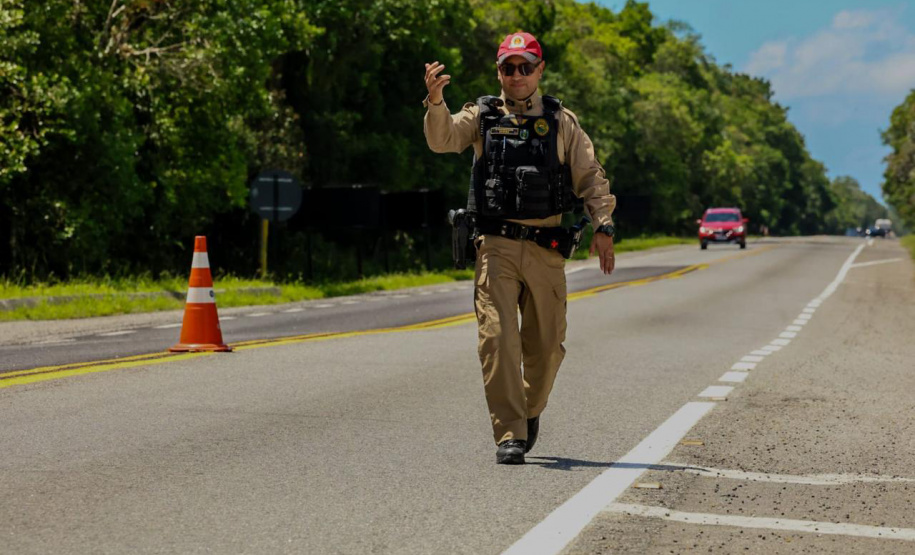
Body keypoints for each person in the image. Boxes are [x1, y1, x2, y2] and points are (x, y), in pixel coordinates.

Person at [423, 31, 617, 464]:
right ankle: (509, 432)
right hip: (496, 246)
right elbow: (444, 139)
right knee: (497, 338)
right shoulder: (483, 116)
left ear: (539, 70)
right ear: (499, 71)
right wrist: (436, 103)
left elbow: (590, 177)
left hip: (546, 247)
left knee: (547, 348)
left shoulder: (562, 122)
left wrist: (602, 222)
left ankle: (530, 410)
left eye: (525, 66)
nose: (516, 75)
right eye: (508, 67)